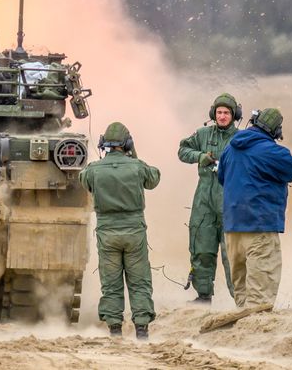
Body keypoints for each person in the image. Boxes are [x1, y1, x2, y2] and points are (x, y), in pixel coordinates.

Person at [80, 121, 161, 339]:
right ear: (127, 143)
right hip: (134, 231)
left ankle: (115, 329)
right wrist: (133, 155)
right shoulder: (137, 167)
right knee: (139, 281)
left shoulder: (94, 170)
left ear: (103, 143)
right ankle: (142, 330)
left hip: (107, 232)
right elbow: (154, 178)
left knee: (111, 283)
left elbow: (84, 181)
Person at [217, 107, 292, 310]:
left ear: (254, 122)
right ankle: (257, 335)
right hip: (260, 225)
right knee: (260, 293)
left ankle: (240, 333)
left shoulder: (230, 147)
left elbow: (221, 176)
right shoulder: (271, 151)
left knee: (242, 289)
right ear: (275, 130)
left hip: (232, 226)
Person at [177, 93, 240, 304]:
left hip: (230, 198)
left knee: (232, 253)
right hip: (204, 198)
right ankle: (203, 295)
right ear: (213, 113)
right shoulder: (203, 134)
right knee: (202, 248)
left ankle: (240, 298)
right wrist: (199, 156)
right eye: (219, 112)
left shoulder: (241, 138)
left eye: (227, 113)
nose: (222, 116)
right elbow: (183, 150)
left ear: (234, 115)